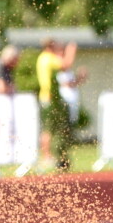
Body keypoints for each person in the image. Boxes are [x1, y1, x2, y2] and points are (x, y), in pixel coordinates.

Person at [36, 38, 77, 170]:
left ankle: (48, 156)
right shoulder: (48, 58)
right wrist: (71, 51)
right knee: (49, 128)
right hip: (50, 97)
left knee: (48, 128)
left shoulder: (42, 58)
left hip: (47, 96)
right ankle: (47, 157)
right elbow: (66, 65)